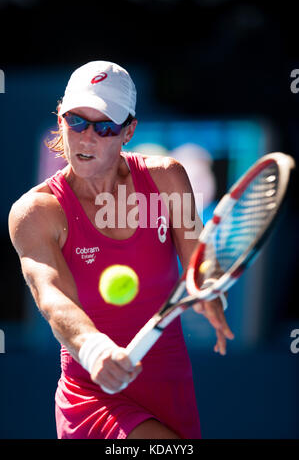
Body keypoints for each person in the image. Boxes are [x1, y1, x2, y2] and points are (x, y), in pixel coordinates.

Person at [8, 60, 234, 439]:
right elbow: (52, 297)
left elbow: (198, 262)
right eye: (76, 120)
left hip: (169, 385)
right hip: (94, 392)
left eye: (105, 127)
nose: (86, 138)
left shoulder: (166, 178)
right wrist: (93, 348)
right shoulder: (35, 212)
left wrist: (208, 290)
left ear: (129, 130)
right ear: (60, 117)